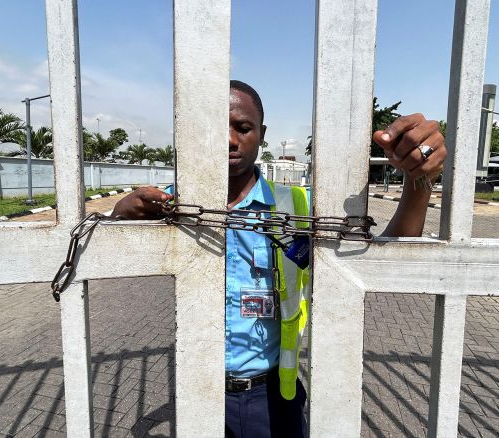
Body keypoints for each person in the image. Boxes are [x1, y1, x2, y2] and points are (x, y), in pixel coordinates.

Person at [111, 80, 446, 437]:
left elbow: (391, 253)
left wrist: (417, 182)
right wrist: (120, 213)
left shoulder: (297, 207)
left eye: (242, 127)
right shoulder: (170, 205)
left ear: (261, 133)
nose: (228, 140)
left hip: (272, 394)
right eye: (215, 128)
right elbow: (107, 256)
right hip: (198, 389)